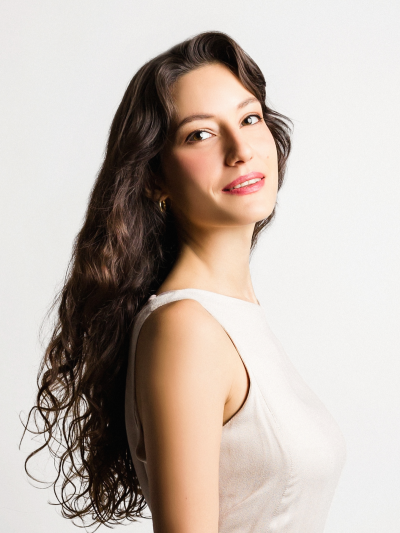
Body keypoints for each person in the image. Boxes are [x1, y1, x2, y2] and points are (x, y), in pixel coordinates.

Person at [23, 31, 346, 532]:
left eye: (249, 118)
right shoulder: (186, 330)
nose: (240, 149)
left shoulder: (230, 320)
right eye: (201, 134)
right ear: (154, 177)